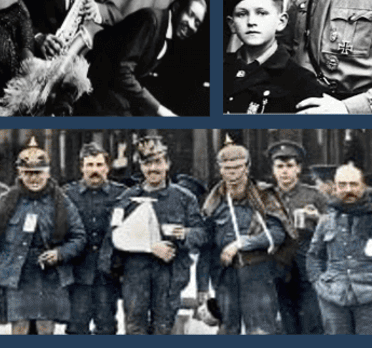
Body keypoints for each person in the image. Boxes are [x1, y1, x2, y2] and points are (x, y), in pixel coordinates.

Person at [0, 139, 86, 335]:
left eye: (38, 173)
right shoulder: (5, 201)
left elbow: (79, 237)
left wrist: (60, 253)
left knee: (45, 328)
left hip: (51, 275)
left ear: (48, 172)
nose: (33, 178)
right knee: (20, 327)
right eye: (28, 173)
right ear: (20, 173)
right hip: (16, 274)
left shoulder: (62, 201)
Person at [103, 137, 203, 335]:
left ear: (167, 163)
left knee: (163, 330)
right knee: (134, 329)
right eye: (147, 163)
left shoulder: (184, 198)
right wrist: (148, 246)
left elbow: (201, 235)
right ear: (140, 166)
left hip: (170, 276)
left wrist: (185, 234)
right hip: (135, 275)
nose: (153, 169)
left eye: (158, 162)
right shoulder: (126, 199)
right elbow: (114, 237)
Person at [200, 142, 288, 335]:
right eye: (227, 168)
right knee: (227, 332)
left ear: (247, 168)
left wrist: (241, 244)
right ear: (220, 169)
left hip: (257, 274)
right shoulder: (214, 201)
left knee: (260, 332)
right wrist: (202, 286)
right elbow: (206, 246)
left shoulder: (264, 196)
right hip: (224, 277)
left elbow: (278, 233)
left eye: (238, 167)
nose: (232, 173)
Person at [83, 0, 207, 116]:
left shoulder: (163, 33)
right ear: (177, 7)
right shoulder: (151, 21)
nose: (191, 25)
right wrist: (159, 109)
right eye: (190, 14)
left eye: (197, 23)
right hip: (96, 91)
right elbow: (122, 71)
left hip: (112, 96)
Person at [306, 162, 372, 334]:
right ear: (335, 188)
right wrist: (318, 284)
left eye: (353, 184)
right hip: (333, 299)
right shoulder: (326, 220)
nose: (348, 189)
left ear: (364, 187)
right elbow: (314, 256)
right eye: (342, 185)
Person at [225, 0, 325, 113]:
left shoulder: (301, 81)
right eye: (242, 14)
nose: (251, 22)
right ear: (232, 24)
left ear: (281, 22)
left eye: (261, 13)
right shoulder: (214, 69)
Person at [265, 142, 329, 335]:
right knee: (287, 322)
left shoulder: (314, 195)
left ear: (298, 168)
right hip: (277, 265)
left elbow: (334, 226)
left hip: (307, 266)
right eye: (280, 166)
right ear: (273, 170)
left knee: (311, 319)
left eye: (290, 166)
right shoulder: (264, 197)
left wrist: (316, 218)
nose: (285, 172)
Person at [62, 143, 125, 335]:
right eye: (89, 165)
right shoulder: (67, 195)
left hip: (107, 274)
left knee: (106, 327)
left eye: (99, 165)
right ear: (82, 167)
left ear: (107, 168)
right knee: (76, 328)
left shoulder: (121, 194)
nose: (94, 170)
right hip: (78, 273)